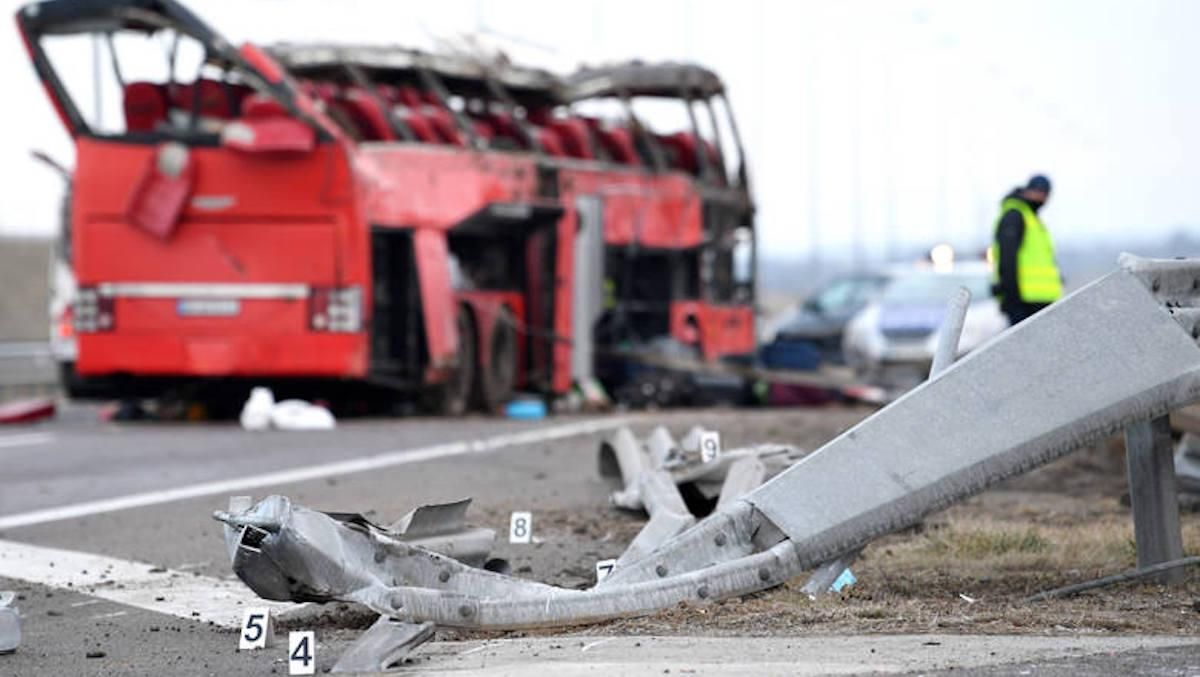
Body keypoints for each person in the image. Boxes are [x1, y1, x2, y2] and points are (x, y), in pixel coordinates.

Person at [990, 174, 1063, 325]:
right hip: (1023, 303)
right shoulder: (1015, 216)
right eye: (1038, 191)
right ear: (1027, 190)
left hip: (1043, 300)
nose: (1042, 197)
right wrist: (1012, 300)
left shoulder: (1032, 219)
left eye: (1045, 193)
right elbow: (1007, 260)